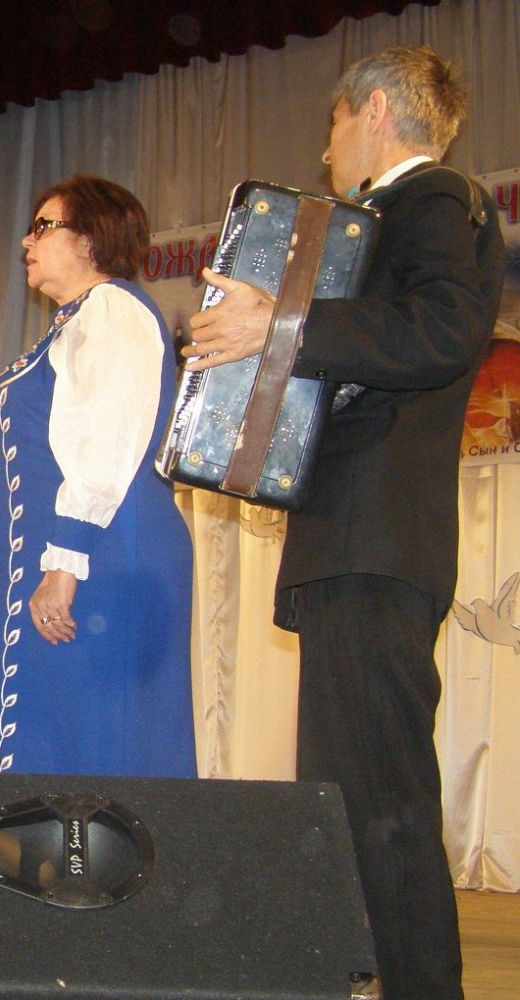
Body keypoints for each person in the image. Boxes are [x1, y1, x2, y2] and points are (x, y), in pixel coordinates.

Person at [184, 46, 503, 1000]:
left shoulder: (436, 199)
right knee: (348, 805)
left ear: (372, 111)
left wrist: (280, 326)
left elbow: (441, 331)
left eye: (331, 123)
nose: (325, 149)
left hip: (376, 539)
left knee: (380, 803)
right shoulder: (378, 222)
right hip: (351, 539)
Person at [0, 175, 195, 780]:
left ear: (91, 239)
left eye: (43, 227)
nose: (26, 241)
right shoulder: (70, 324)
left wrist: (65, 561)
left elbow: (106, 434)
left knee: (94, 746)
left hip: (102, 556)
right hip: (66, 560)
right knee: (53, 744)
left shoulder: (112, 307)